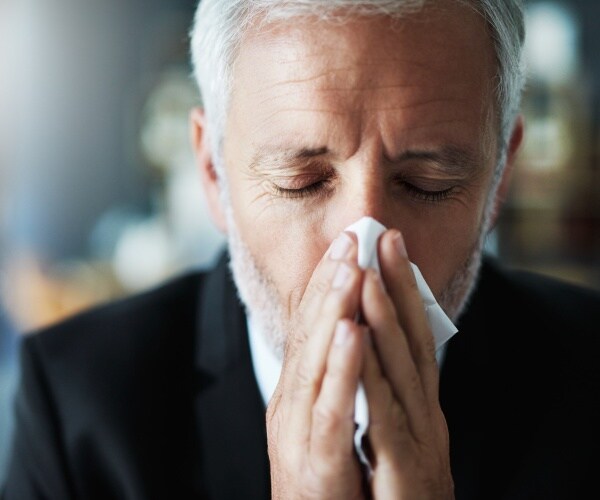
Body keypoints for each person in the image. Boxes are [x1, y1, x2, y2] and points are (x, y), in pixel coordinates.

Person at [3, 0, 600, 498]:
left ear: (500, 178)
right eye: (302, 182)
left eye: (429, 185)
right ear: (213, 172)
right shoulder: (78, 410)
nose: (361, 248)